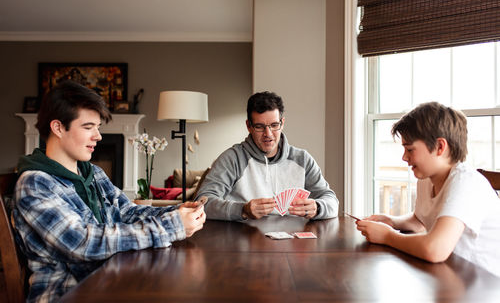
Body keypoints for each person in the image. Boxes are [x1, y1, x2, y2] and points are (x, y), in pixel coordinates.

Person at [12, 80, 206, 302]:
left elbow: (126, 212)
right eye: (88, 127)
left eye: (98, 127)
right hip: (68, 293)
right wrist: (172, 226)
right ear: (57, 127)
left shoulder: (93, 173)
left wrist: (176, 211)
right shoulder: (35, 184)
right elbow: (82, 243)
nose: (98, 136)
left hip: (110, 279)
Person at [356, 102, 500, 276]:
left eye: (410, 149)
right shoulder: (427, 179)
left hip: (485, 285)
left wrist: (387, 236)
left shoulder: (466, 183)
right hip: (451, 277)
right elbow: (419, 220)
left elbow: (435, 249)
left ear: (440, 147)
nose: (404, 157)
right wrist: (392, 221)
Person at [196, 91, 338, 220]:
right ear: (249, 126)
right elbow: (203, 202)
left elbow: (331, 200)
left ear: (282, 123)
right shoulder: (232, 158)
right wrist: (242, 210)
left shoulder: (303, 159)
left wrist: (318, 207)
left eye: (274, 125)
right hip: (244, 239)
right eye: (259, 127)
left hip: (293, 241)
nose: (268, 134)